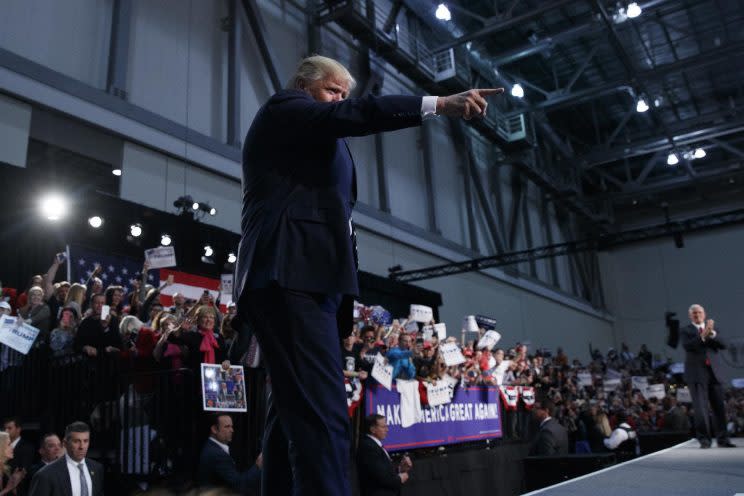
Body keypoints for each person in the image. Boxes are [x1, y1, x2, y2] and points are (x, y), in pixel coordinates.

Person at [231, 54, 502, 496]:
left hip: (312, 281)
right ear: (304, 84)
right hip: (289, 274)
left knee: (291, 416)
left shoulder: (317, 137)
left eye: (343, 93)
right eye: (332, 90)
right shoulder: (287, 109)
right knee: (324, 416)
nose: (339, 99)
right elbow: (357, 114)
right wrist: (439, 104)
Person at [681, 304, 735, 448]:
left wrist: (711, 334)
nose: (697, 315)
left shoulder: (714, 329)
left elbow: (724, 344)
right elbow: (689, 346)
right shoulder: (685, 330)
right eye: (694, 313)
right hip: (697, 374)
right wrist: (704, 334)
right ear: (690, 316)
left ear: (704, 314)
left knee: (719, 407)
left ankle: (723, 439)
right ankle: (704, 440)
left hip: (714, 373)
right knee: (701, 408)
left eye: (699, 312)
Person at [29, 421, 103, 496]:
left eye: (85, 441)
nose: (82, 446)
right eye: (76, 441)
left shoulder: (96, 468)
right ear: (65, 443)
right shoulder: (45, 475)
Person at [197, 414, 260, 494]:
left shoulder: (211, 447)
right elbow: (239, 485)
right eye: (227, 426)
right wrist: (258, 466)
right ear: (214, 429)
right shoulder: (217, 455)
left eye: (232, 426)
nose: (232, 430)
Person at [357, 415, 412, 496]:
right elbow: (382, 478)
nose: (387, 429)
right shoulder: (368, 447)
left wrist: (400, 469)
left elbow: (383, 472)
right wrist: (400, 478)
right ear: (373, 429)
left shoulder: (374, 445)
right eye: (383, 427)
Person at [0, 431, 25, 496]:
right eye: (9, 444)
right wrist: (8, 488)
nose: (12, 447)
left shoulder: (7, 469)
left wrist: (15, 485)